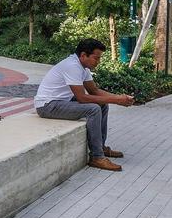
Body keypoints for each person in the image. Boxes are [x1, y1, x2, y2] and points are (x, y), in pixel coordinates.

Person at [34, 39, 134, 172]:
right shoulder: (72, 66)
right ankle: (96, 157)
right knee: (93, 109)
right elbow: (82, 97)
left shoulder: (83, 66)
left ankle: (101, 147)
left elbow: (94, 91)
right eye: (96, 58)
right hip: (47, 106)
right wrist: (116, 100)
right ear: (83, 55)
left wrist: (119, 97)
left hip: (62, 101)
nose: (98, 62)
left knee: (102, 105)